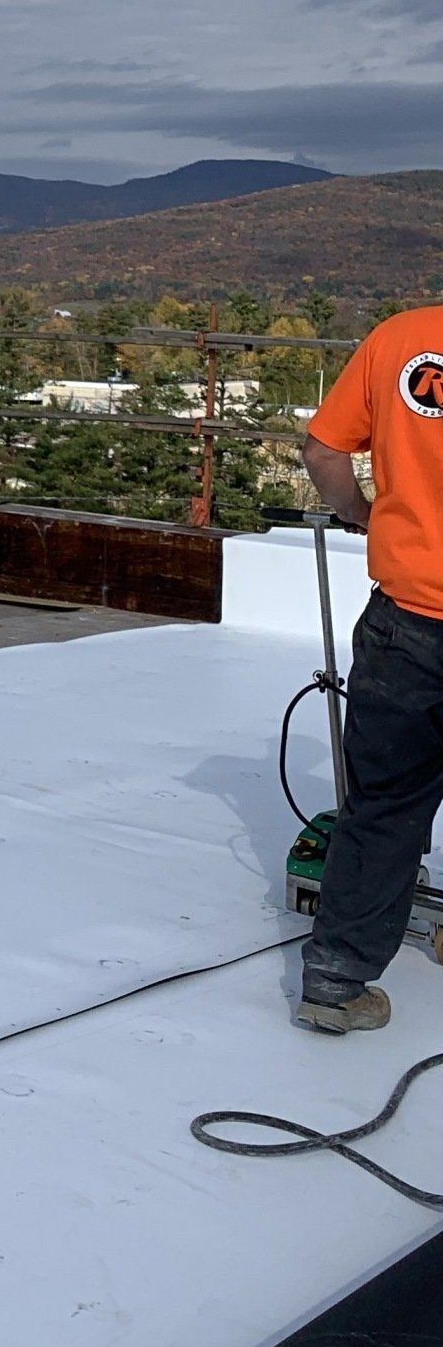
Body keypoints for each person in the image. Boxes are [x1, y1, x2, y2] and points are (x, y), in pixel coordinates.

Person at [296, 305, 443, 1033]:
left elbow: (324, 450)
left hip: (407, 624)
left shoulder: (402, 337)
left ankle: (335, 980)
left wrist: (362, 514)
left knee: (383, 803)